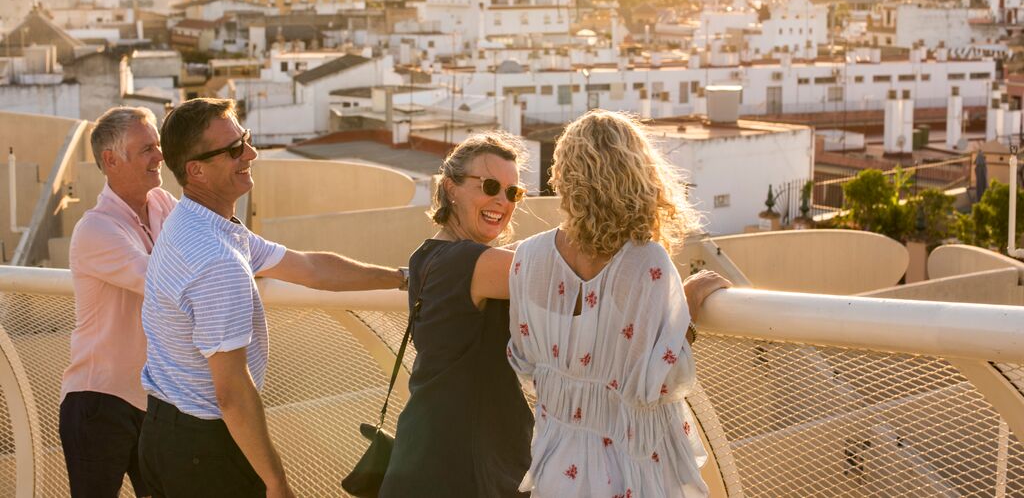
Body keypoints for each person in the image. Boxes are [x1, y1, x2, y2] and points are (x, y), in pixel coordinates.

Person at [138, 98, 405, 498]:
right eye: (233, 150)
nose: (251, 153)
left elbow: (311, 268)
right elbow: (231, 392)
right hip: (203, 453)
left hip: (164, 433)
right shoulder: (216, 259)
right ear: (195, 171)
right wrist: (277, 482)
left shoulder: (197, 223)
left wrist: (401, 278)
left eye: (244, 139)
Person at [507, 109, 731, 497]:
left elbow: (526, 363)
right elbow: (656, 382)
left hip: (557, 466)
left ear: (563, 176)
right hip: (630, 471)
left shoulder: (528, 258)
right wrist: (688, 309)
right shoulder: (647, 263)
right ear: (638, 176)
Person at [379, 132, 533, 498]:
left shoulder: (426, 256)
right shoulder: (469, 262)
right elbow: (570, 283)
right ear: (451, 188)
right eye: (491, 185)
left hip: (430, 452)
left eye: (513, 192)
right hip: (464, 465)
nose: (502, 200)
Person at [59, 106, 175, 498]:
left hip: (152, 402)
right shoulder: (95, 227)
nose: (160, 156)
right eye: (147, 149)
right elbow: (161, 280)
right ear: (111, 160)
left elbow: (204, 247)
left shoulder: (163, 205)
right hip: (98, 401)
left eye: (157, 145)